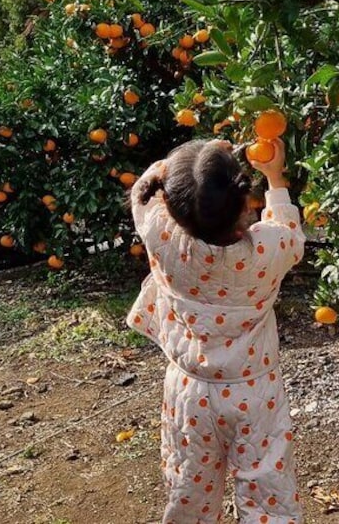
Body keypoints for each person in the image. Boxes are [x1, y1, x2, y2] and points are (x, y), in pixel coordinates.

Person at [126, 137, 304, 523]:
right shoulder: (267, 251)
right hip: (255, 394)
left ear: (173, 206)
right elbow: (290, 231)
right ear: (243, 201)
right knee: (267, 488)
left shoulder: (162, 239)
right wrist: (274, 176)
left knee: (189, 485)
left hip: (190, 391)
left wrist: (193, 161)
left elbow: (146, 191)